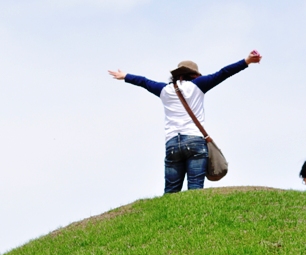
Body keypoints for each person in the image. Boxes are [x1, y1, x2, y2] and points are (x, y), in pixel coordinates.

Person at [108, 51, 262, 193]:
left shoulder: (164, 90)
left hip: (172, 143)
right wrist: (247, 61)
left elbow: (144, 81)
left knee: (171, 192)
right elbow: (223, 73)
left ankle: (167, 222)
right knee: (195, 190)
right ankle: (194, 221)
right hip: (195, 141)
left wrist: (125, 75)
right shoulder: (199, 84)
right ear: (195, 75)